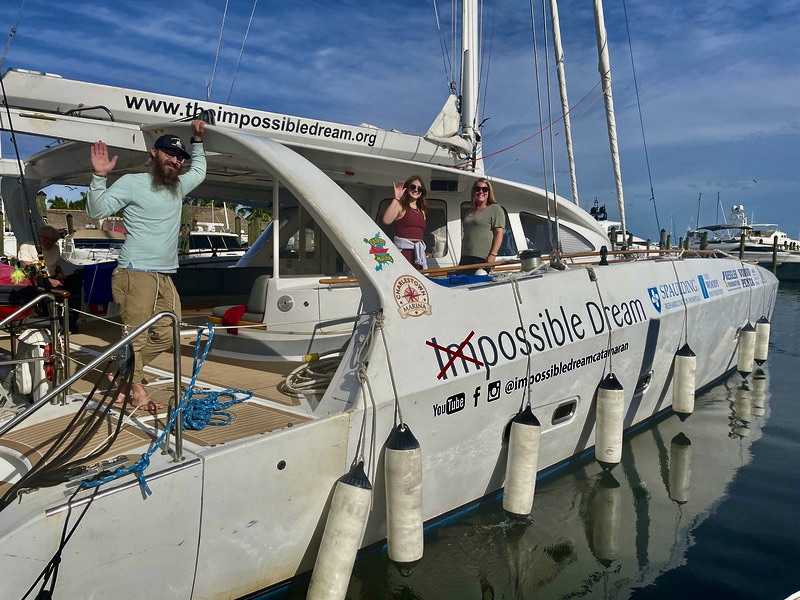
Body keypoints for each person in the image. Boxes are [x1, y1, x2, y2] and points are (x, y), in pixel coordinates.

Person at [88, 120, 207, 410]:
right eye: (169, 154)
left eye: (179, 158)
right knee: (135, 336)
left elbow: (200, 171)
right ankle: (135, 387)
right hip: (134, 271)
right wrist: (99, 176)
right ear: (154, 153)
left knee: (169, 332)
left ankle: (125, 373)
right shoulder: (133, 182)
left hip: (164, 274)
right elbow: (97, 209)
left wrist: (198, 141)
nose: (175, 160)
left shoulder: (178, 186)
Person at [459, 178, 505, 273]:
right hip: (465, 258)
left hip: (481, 258)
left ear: (489, 192)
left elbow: (499, 233)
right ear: (473, 191)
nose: (481, 191)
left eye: (485, 189)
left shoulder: (495, 209)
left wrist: (493, 255)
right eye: (477, 189)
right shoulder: (469, 212)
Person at [382, 175, 428, 270]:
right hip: (403, 254)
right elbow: (386, 220)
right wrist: (396, 198)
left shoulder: (422, 211)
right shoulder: (400, 206)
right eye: (413, 187)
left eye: (419, 188)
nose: (416, 190)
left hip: (418, 256)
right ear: (407, 188)